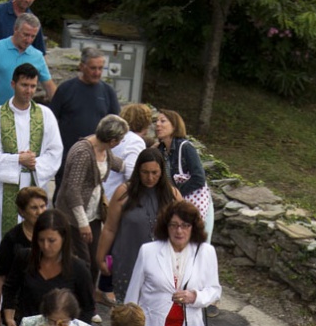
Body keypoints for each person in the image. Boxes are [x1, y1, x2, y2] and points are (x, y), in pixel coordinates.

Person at [0, 63, 62, 283]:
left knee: (36, 238)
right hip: (4, 189)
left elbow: (55, 151)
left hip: (35, 185)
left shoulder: (45, 115)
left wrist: (34, 163)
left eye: (33, 86)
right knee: (5, 240)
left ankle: (31, 287)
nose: (28, 91)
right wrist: (18, 159)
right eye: (24, 85)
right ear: (13, 84)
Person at [125, 201, 221, 326]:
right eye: (174, 225)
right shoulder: (148, 251)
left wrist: (195, 297)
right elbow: (133, 294)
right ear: (166, 226)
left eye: (185, 226)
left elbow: (214, 290)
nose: (179, 231)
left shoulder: (206, 252)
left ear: (193, 228)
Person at [54, 114, 128, 296]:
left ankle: (87, 299)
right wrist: (82, 223)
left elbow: (119, 165)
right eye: (120, 139)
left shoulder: (104, 150)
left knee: (96, 260)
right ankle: (76, 300)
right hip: (74, 217)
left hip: (93, 214)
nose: (121, 143)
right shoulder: (82, 152)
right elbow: (72, 190)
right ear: (113, 141)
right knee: (83, 262)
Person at [97, 146, 178, 304]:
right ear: (138, 171)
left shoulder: (172, 195)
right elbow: (110, 228)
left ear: (162, 172)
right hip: (128, 263)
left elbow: (186, 227)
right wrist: (100, 257)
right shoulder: (124, 192)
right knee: (127, 313)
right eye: (145, 172)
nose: (150, 177)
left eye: (154, 173)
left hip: (160, 266)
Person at [6, 219, 97, 326]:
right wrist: (8, 317)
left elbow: (88, 308)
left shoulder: (78, 268)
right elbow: (10, 288)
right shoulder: (24, 258)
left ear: (64, 238)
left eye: (51, 240)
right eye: (41, 240)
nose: (46, 246)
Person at [0, 184, 48, 326]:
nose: (40, 212)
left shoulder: (54, 235)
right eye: (34, 208)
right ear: (22, 212)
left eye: (43, 206)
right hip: (19, 310)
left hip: (48, 308)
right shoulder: (12, 239)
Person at [0, 14, 55, 121]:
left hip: (24, 117)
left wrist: (63, 110)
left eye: (33, 36)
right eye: (25, 35)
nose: (29, 40)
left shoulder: (37, 56)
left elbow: (49, 86)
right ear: (15, 29)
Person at [51, 47, 122, 169]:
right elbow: (51, 122)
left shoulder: (108, 92)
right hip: (67, 158)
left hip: (96, 160)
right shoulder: (66, 89)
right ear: (82, 66)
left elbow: (115, 126)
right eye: (93, 68)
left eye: (100, 68)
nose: (97, 72)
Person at [154, 109, 212, 241]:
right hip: (174, 204)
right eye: (156, 121)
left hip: (191, 202)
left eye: (163, 121)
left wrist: (175, 193)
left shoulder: (185, 147)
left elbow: (199, 178)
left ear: (174, 126)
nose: (157, 124)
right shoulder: (160, 150)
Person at [104, 103, 151, 202]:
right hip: (117, 197)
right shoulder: (135, 141)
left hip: (105, 192)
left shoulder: (117, 137)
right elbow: (131, 173)